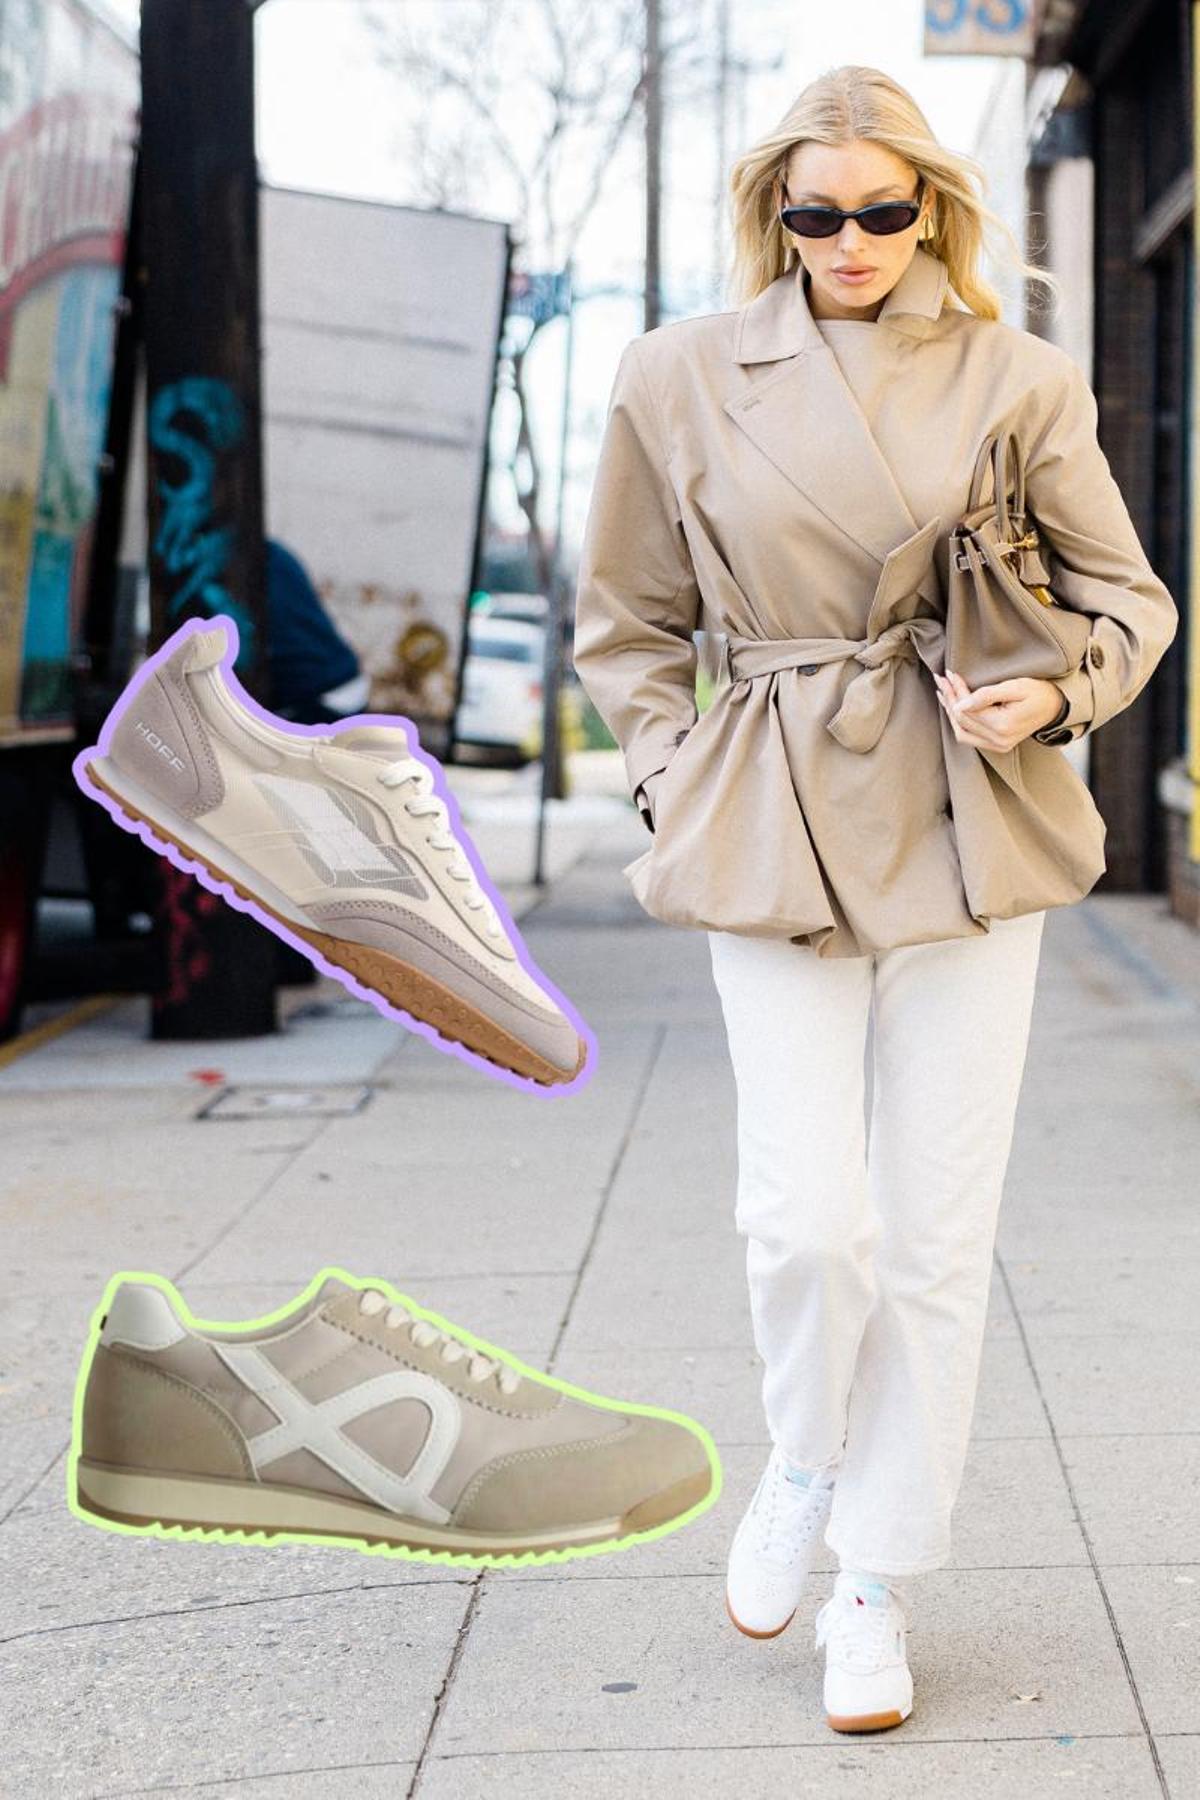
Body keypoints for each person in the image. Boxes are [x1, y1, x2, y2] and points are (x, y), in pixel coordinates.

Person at [571, 65, 1178, 1735]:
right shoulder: (677, 374)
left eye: (882, 210)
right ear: (776, 206)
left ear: (934, 206)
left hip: (970, 818)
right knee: (805, 1217)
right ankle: (807, 1451)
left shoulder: (1016, 373)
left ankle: (874, 1581)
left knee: (933, 1233)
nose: (849, 242)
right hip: (770, 805)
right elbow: (624, 624)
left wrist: (1054, 701)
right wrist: (663, 773)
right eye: (816, 211)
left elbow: (1130, 597)